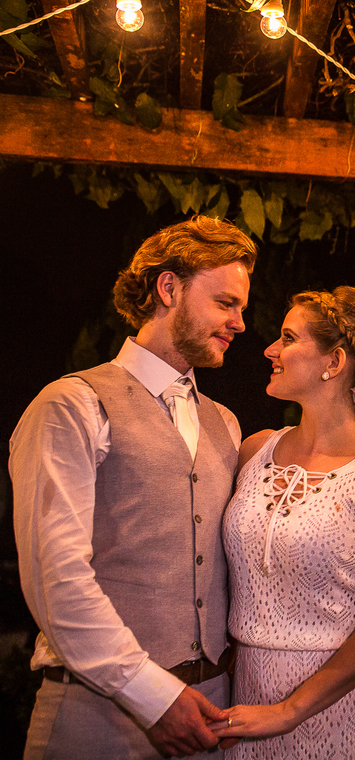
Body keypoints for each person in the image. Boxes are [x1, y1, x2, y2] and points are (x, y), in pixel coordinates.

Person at [11, 216, 257, 759]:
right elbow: (57, 581)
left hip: (214, 717)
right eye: (226, 303)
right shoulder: (70, 405)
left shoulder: (228, 424)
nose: (241, 323)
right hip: (99, 715)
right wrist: (151, 697)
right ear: (168, 288)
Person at [212, 286, 355, 759]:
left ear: (335, 360)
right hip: (250, 695)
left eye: (288, 338)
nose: (270, 349)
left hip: (349, 706)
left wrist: (290, 710)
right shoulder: (255, 450)